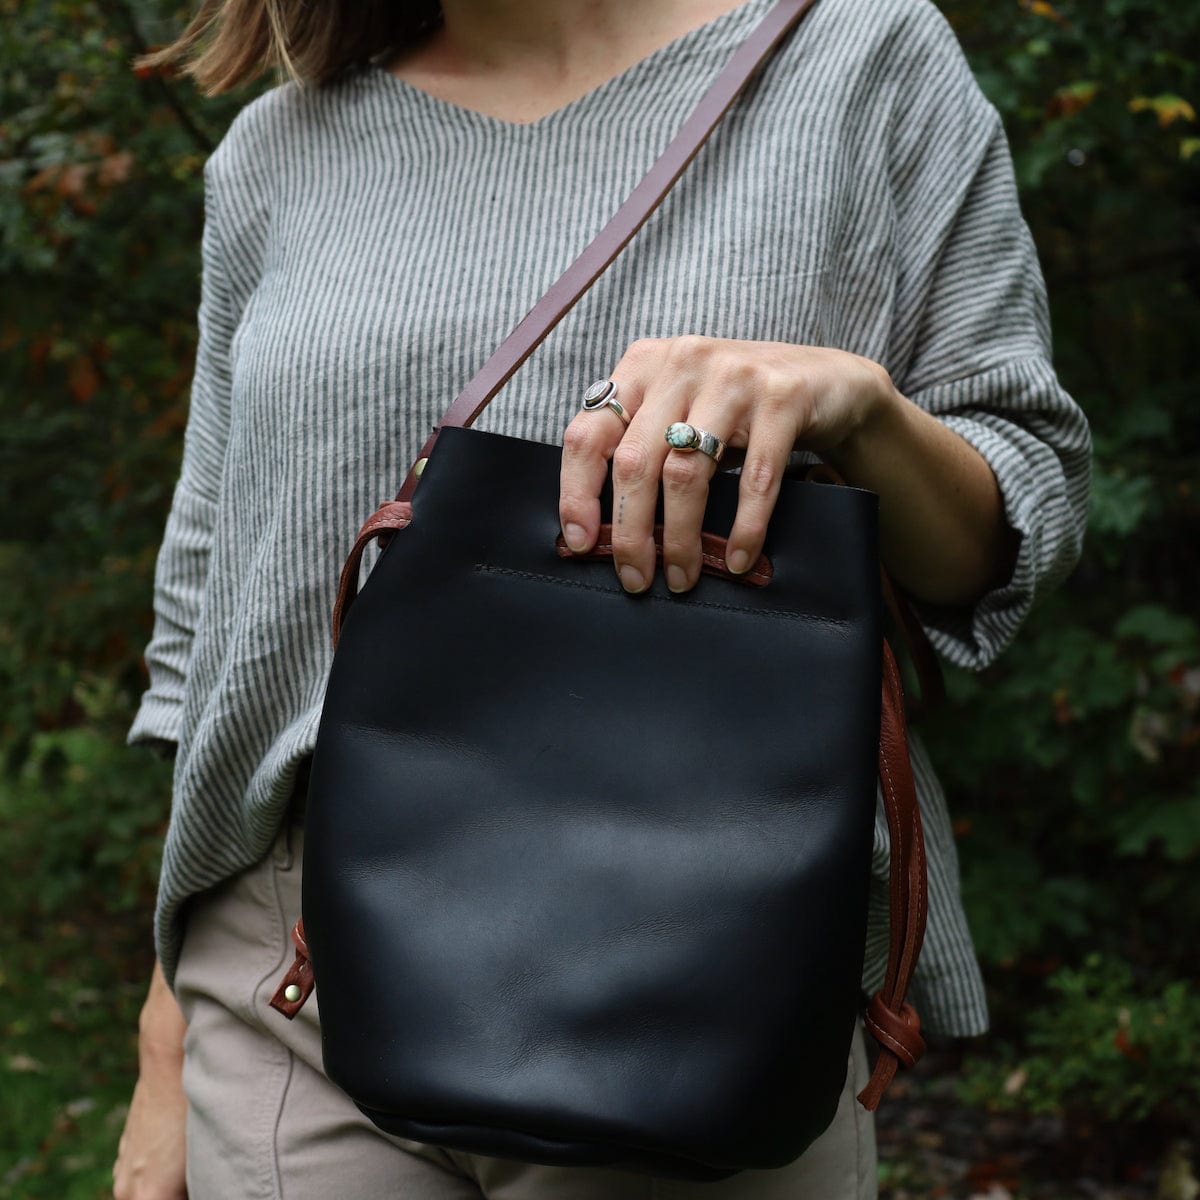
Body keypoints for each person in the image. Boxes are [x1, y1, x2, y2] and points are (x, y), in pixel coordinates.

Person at [112, 0, 1092, 1195]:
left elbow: (1019, 516)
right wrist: (166, 1039)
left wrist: (862, 406)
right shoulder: (276, 149)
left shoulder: (860, 61)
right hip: (289, 974)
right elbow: (208, 625)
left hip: (704, 952)